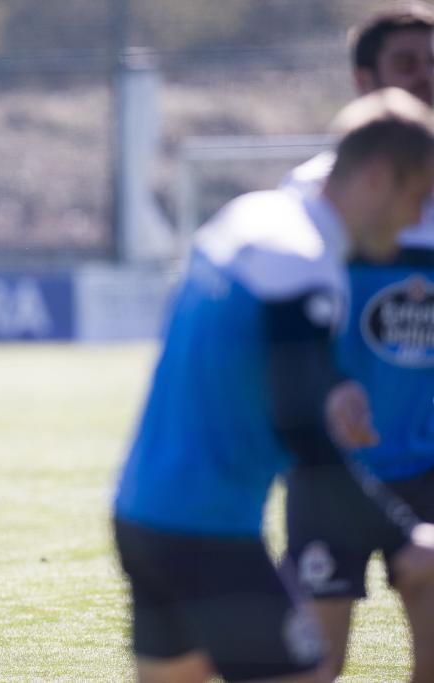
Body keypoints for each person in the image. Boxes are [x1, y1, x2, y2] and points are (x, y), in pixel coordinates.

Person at [112, 88, 434, 683]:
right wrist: (400, 537)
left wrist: (328, 383)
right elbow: (301, 429)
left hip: (141, 512)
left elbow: (255, 361)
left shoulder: (253, 216)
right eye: (417, 198)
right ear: (378, 177)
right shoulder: (306, 262)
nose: (418, 220)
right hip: (210, 532)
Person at [282, 4, 434, 680]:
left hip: (430, 469)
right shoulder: (317, 197)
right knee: (319, 666)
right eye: (408, 65)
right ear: (363, 78)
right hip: (331, 470)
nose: (426, 79)